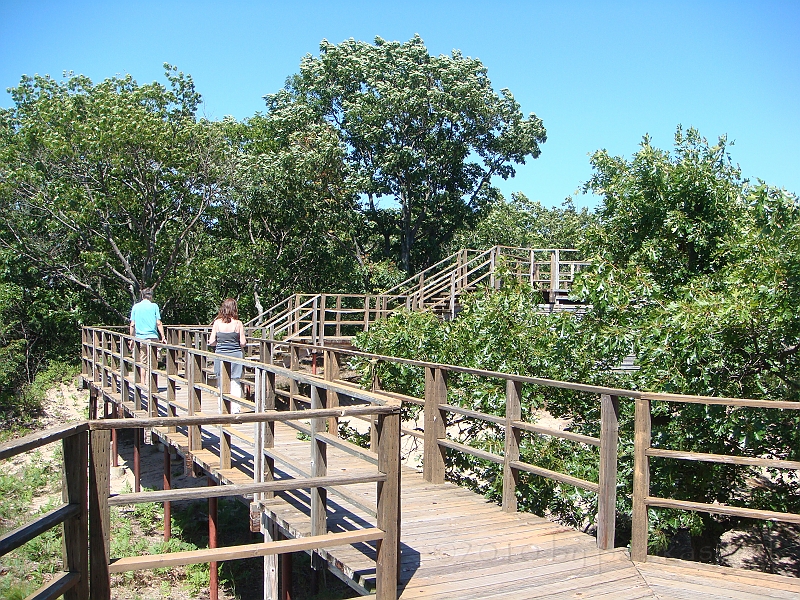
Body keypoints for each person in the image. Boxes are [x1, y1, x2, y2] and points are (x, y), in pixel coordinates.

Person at [209, 298, 247, 411]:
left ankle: (222, 408)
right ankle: (235, 409)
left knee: (221, 382)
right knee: (235, 382)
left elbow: (211, 342)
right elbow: (243, 343)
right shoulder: (238, 323)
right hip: (235, 354)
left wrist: (220, 343)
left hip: (220, 354)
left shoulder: (217, 323)